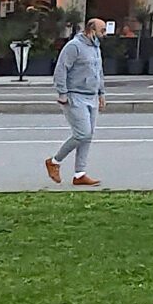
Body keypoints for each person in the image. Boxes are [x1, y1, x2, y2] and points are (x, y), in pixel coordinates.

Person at [46, 17, 108, 187]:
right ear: (91, 30)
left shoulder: (95, 48)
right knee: (82, 133)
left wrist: (101, 92)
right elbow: (61, 69)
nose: (104, 34)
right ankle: (54, 161)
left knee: (87, 136)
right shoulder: (74, 46)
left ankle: (80, 174)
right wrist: (62, 92)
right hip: (75, 95)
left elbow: (98, 71)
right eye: (102, 31)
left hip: (91, 96)